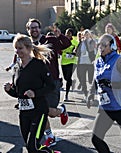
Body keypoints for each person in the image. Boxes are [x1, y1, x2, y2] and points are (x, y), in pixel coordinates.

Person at [4, 34, 60, 153]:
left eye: (21, 48)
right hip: (24, 113)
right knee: (32, 147)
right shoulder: (17, 67)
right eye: (16, 48)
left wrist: (35, 93)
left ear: (29, 49)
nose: (18, 51)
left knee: (32, 147)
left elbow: (51, 86)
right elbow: (19, 93)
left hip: (39, 111)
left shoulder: (38, 65)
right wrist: (9, 90)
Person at [91, 34, 121, 153]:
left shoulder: (118, 60)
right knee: (96, 139)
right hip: (105, 108)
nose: (101, 48)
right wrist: (91, 93)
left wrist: (112, 85)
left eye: (104, 45)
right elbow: (97, 80)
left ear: (112, 46)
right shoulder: (98, 61)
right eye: (99, 45)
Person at [26, 18, 70, 147]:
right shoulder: (27, 44)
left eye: (36, 27)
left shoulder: (50, 40)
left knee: (49, 112)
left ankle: (61, 110)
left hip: (52, 82)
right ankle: (50, 136)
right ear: (28, 30)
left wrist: (59, 35)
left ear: (40, 29)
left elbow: (66, 44)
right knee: (41, 111)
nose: (34, 29)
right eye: (31, 27)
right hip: (36, 84)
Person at [76, 29, 96, 102]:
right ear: (83, 35)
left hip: (90, 63)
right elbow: (77, 53)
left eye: (88, 34)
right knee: (83, 79)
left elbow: (93, 51)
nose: (86, 36)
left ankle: (92, 95)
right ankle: (85, 94)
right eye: (85, 34)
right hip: (82, 63)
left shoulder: (92, 42)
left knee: (91, 80)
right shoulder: (81, 43)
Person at [61, 28, 79, 101]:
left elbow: (78, 51)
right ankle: (71, 81)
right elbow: (60, 50)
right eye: (66, 33)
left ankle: (66, 95)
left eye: (69, 33)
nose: (67, 35)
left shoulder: (75, 42)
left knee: (68, 78)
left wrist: (74, 52)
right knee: (65, 78)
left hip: (72, 62)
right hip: (64, 61)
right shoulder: (62, 41)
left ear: (72, 34)